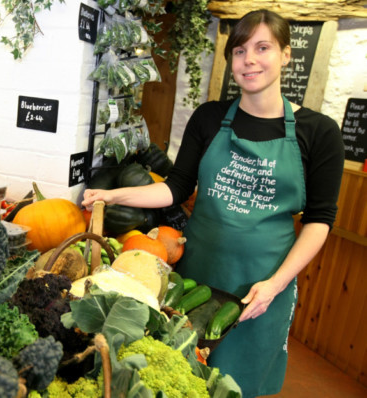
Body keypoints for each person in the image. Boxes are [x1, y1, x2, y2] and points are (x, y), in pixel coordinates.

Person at [82, 9, 344, 397]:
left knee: (241, 386)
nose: (249, 59)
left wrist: (275, 285)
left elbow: (320, 221)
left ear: (287, 54)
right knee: (182, 378)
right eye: (239, 51)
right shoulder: (209, 118)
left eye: (262, 47)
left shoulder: (318, 132)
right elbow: (175, 188)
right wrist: (112, 194)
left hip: (263, 288)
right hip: (196, 278)